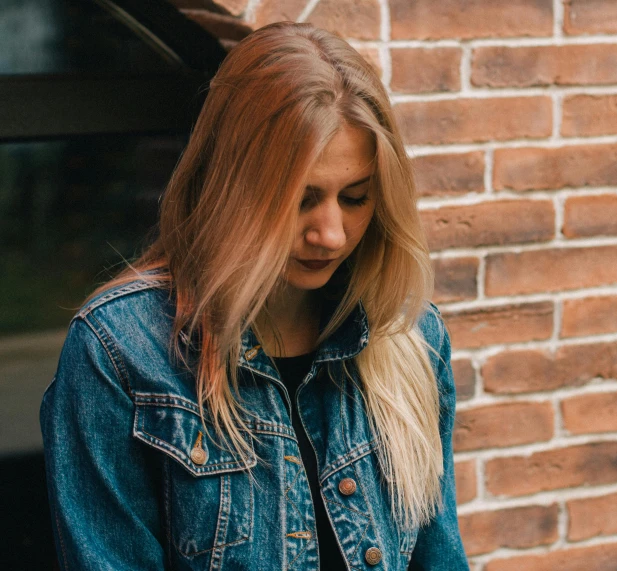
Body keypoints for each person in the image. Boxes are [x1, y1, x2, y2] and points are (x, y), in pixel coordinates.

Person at [40, 21, 469, 571]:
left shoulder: (411, 337)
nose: (331, 234)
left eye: (356, 198)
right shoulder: (120, 353)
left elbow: (440, 558)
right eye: (300, 199)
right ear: (232, 187)